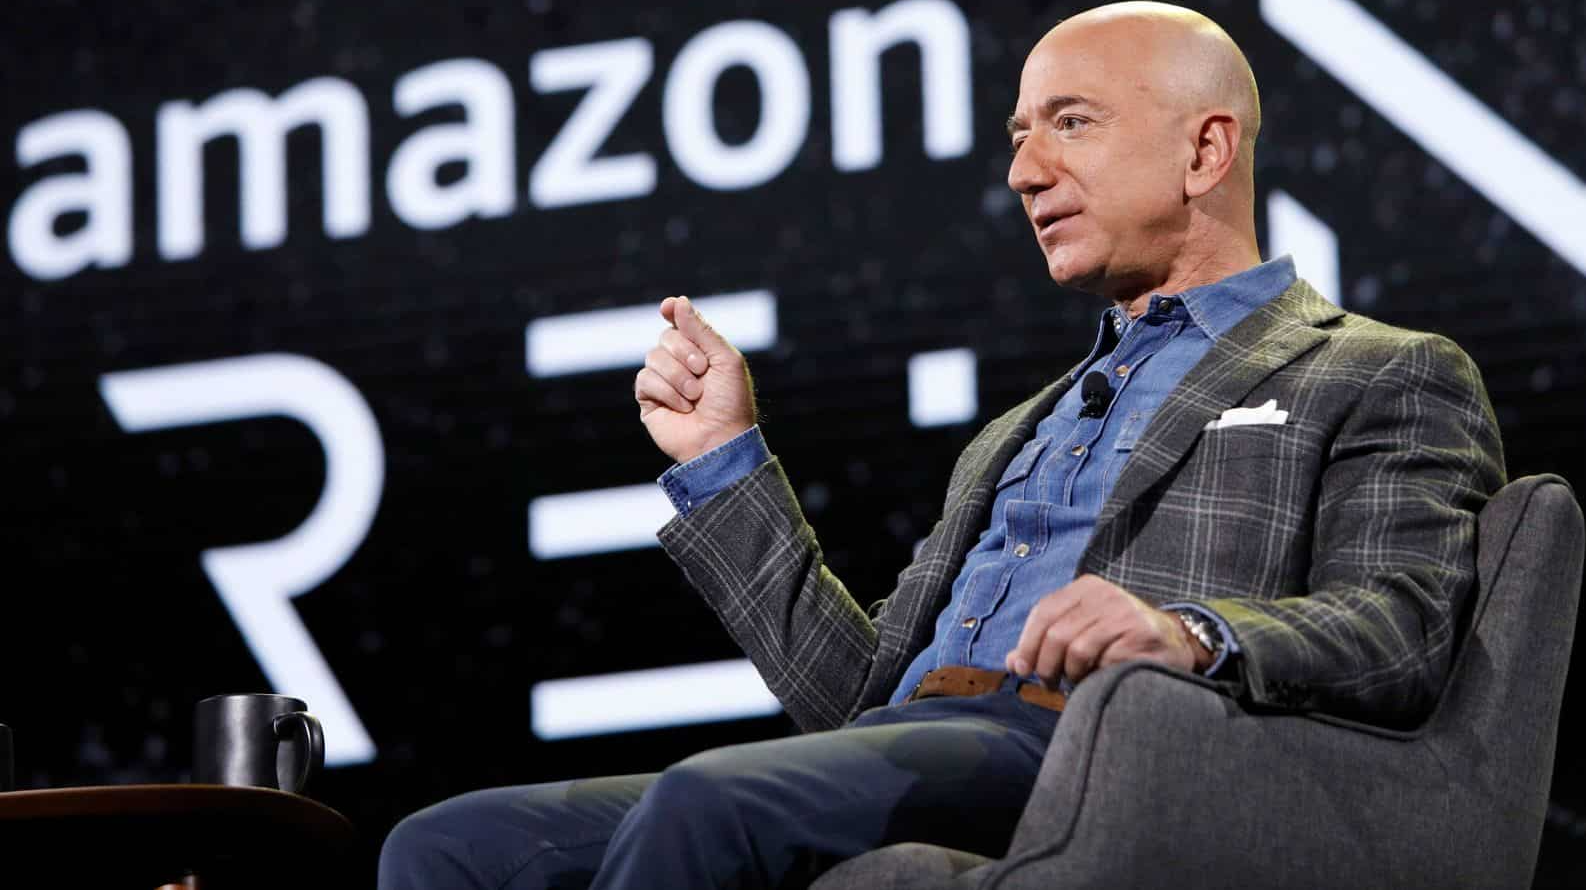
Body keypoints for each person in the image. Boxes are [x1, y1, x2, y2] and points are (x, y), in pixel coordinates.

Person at [378, 2, 1505, 888]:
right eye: (1018, 136)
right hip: (936, 742)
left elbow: (1406, 625)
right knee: (448, 845)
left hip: (1119, 751)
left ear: (1206, 149)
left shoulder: (1373, 368)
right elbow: (855, 706)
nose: (1023, 171)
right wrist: (725, 458)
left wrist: (1185, 632)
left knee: (707, 804)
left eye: (1070, 123)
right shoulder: (1018, 431)